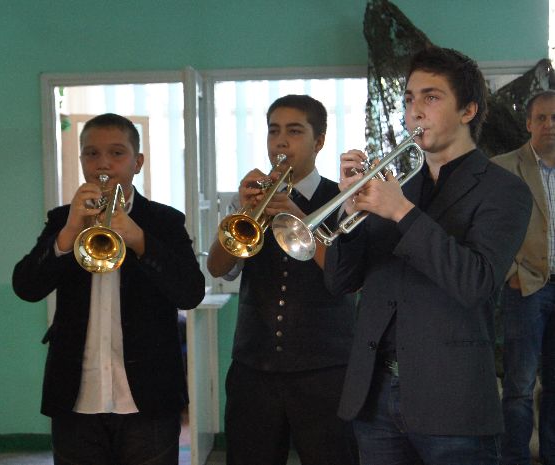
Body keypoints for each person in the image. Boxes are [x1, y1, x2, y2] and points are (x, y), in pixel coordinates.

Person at [323, 46, 533, 465]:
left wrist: (402, 212)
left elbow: (474, 282)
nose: (414, 111)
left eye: (431, 97)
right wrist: (349, 209)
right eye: (408, 99)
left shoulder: (504, 190)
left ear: (468, 110)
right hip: (374, 397)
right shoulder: (397, 186)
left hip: (452, 401)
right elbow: (340, 281)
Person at [13, 113, 205, 465]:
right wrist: (68, 234)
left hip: (148, 399)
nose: (103, 163)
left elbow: (191, 293)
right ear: (82, 160)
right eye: (92, 154)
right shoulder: (62, 219)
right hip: (76, 399)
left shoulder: (164, 221)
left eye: (117, 153)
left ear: (137, 162)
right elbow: (26, 287)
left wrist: (139, 239)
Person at [207, 94, 358, 465]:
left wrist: (297, 216)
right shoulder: (252, 199)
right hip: (253, 369)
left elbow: (350, 277)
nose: (280, 142)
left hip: (325, 371)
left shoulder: (343, 199)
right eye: (273, 131)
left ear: (319, 141)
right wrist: (243, 211)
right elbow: (218, 268)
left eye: (294, 131)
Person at [492, 89, 555, 465]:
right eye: (542, 118)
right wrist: (511, 273)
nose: (549, 125)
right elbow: (491, 229)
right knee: (519, 384)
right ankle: (514, 459)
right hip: (527, 288)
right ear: (529, 123)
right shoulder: (503, 167)